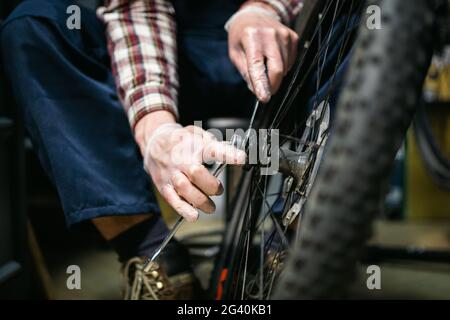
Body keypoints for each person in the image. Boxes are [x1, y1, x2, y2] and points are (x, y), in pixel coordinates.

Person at [0, 0, 302, 299]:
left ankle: (296, 248)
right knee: (36, 24)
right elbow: (137, 8)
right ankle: (154, 257)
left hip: (294, 50)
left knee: (347, 29)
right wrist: (155, 126)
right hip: (172, 53)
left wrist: (266, 8)